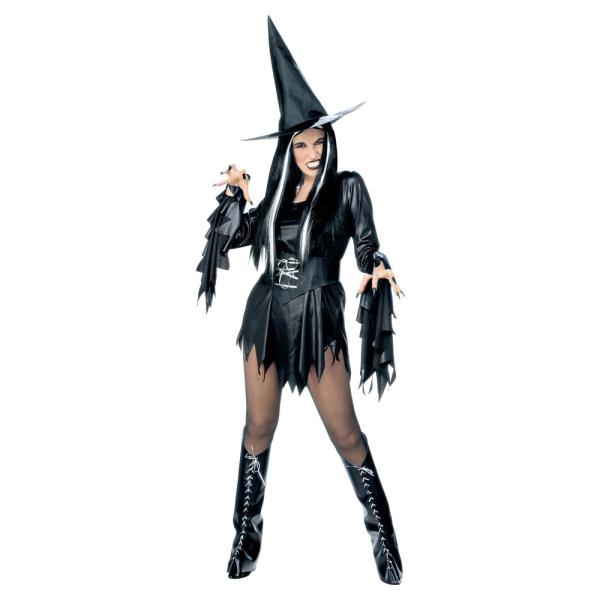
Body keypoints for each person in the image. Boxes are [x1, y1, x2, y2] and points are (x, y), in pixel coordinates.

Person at [196, 17, 405, 585]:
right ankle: (245, 538)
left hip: (316, 317)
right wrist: (237, 198)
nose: (312, 151)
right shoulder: (277, 195)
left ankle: (383, 538)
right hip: (267, 315)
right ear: (289, 149)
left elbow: (366, 245)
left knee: (347, 433)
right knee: (257, 427)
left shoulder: (348, 187)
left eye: (318, 141)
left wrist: (377, 267)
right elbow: (239, 239)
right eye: (302, 143)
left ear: (329, 141)